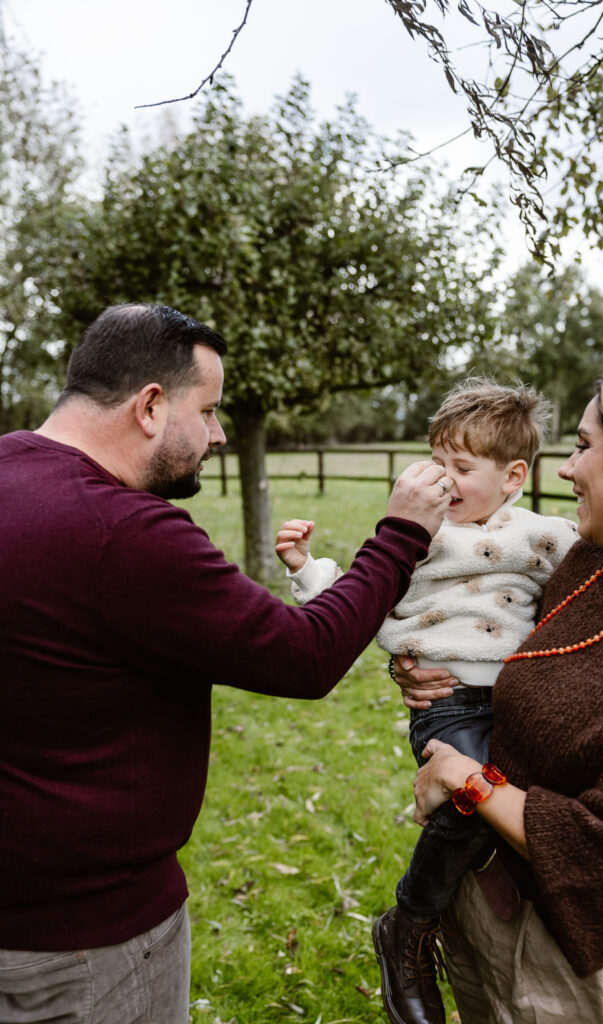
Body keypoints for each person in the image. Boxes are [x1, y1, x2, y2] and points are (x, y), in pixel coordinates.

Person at [0, 302, 454, 1024]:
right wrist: (400, 535)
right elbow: (303, 655)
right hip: (87, 947)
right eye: (208, 411)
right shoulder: (125, 533)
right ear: (151, 405)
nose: (217, 434)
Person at [275, 379, 577, 1024]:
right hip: (447, 705)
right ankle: (410, 922)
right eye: (436, 462)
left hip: (518, 703)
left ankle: (487, 902)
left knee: (517, 806)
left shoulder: (544, 536)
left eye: (461, 468)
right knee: (472, 802)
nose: (443, 479)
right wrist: (304, 567)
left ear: (513, 476)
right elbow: (359, 595)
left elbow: (597, 578)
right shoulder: (420, 535)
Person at [397, 351, 603, 1024]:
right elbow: (495, 635)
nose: (564, 468)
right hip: (487, 913)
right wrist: (419, 665)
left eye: (582, 446)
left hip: (587, 972)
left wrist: (469, 780)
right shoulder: (583, 567)